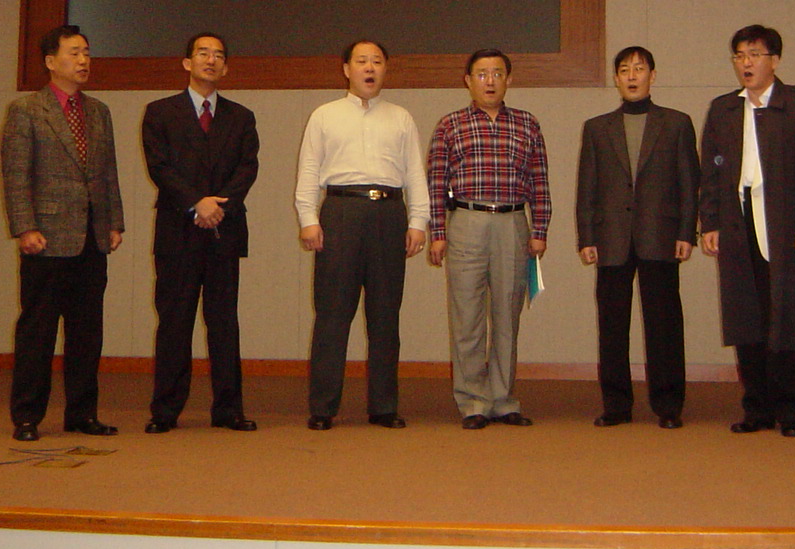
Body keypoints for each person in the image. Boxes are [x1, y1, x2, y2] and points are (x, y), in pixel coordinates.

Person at [699, 25, 795, 437]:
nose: (746, 63)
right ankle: (756, 408)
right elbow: (710, 173)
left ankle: (791, 411)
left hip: (785, 224)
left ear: (775, 60)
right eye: (739, 55)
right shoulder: (723, 109)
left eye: (754, 54)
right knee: (746, 318)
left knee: (787, 317)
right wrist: (710, 222)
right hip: (737, 223)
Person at [0, 25, 124, 442]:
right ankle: (27, 416)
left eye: (87, 52)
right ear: (51, 61)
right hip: (46, 237)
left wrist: (114, 222)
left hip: (92, 236)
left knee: (87, 332)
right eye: (74, 53)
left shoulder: (99, 111)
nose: (83, 60)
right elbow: (16, 174)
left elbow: (108, 173)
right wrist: (25, 227)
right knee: (38, 330)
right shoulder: (27, 110)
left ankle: (82, 414)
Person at [295, 40, 428, 430]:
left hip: (389, 214)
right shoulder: (324, 115)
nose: (370, 68)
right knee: (332, 314)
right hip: (340, 212)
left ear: (386, 69)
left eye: (377, 62)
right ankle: (323, 407)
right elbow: (309, 169)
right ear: (346, 69)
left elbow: (414, 173)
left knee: (385, 315)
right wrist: (308, 217)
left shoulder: (401, 118)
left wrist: (418, 221)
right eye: (362, 61)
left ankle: (384, 406)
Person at [141, 33, 260, 434]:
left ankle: (228, 409)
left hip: (224, 229)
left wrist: (218, 206)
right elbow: (159, 167)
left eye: (219, 56)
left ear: (226, 68)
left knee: (224, 323)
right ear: (187, 63)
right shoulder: (160, 112)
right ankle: (165, 410)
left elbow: (247, 168)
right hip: (178, 230)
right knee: (174, 322)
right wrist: (197, 202)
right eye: (203, 53)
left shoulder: (241, 117)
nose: (211, 60)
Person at [427, 49, 550, 429]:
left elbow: (540, 182)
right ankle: (473, 403)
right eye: (482, 74)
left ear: (509, 79)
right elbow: (436, 182)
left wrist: (540, 230)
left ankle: (503, 399)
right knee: (467, 318)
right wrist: (438, 233)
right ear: (468, 81)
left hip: (512, 223)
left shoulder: (527, 124)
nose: (490, 81)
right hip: (466, 222)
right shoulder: (450, 125)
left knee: (507, 317)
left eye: (497, 73)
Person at [577, 46, 699, 429]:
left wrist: (687, 231)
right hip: (611, 238)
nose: (632, 76)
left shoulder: (676, 123)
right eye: (625, 70)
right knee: (612, 325)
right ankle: (616, 405)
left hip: (660, 234)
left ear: (652, 76)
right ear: (616, 79)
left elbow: (689, 183)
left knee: (664, 324)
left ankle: (668, 405)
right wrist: (586, 236)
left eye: (639, 69)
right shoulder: (597, 128)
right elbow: (587, 187)